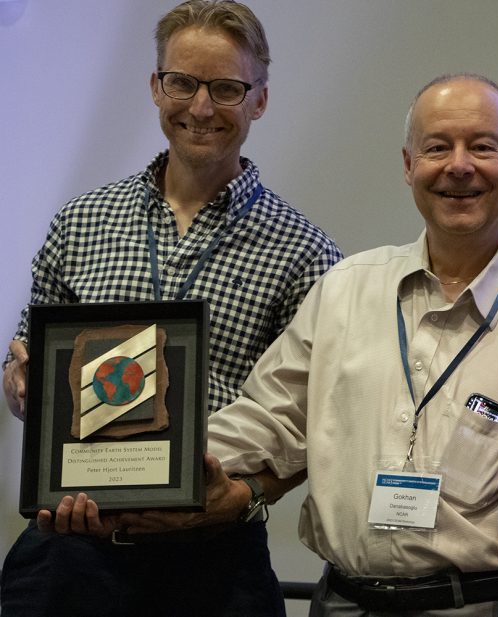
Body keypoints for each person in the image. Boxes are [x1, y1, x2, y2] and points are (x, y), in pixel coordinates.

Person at [120, 73, 498, 615]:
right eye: (436, 148)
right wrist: (142, 468)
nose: (458, 166)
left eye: (482, 147)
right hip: (341, 602)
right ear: (408, 165)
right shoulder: (346, 288)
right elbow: (270, 417)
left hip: (481, 605)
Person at [0, 2, 341, 616]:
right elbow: (27, 366)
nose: (201, 107)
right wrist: (21, 385)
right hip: (67, 556)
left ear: (260, 100)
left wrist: (248, 495)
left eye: (226, 88)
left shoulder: (306, 253)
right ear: (156, 87)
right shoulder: (81, 222)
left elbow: (319, 421)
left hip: (215, 563)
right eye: (182, 82)